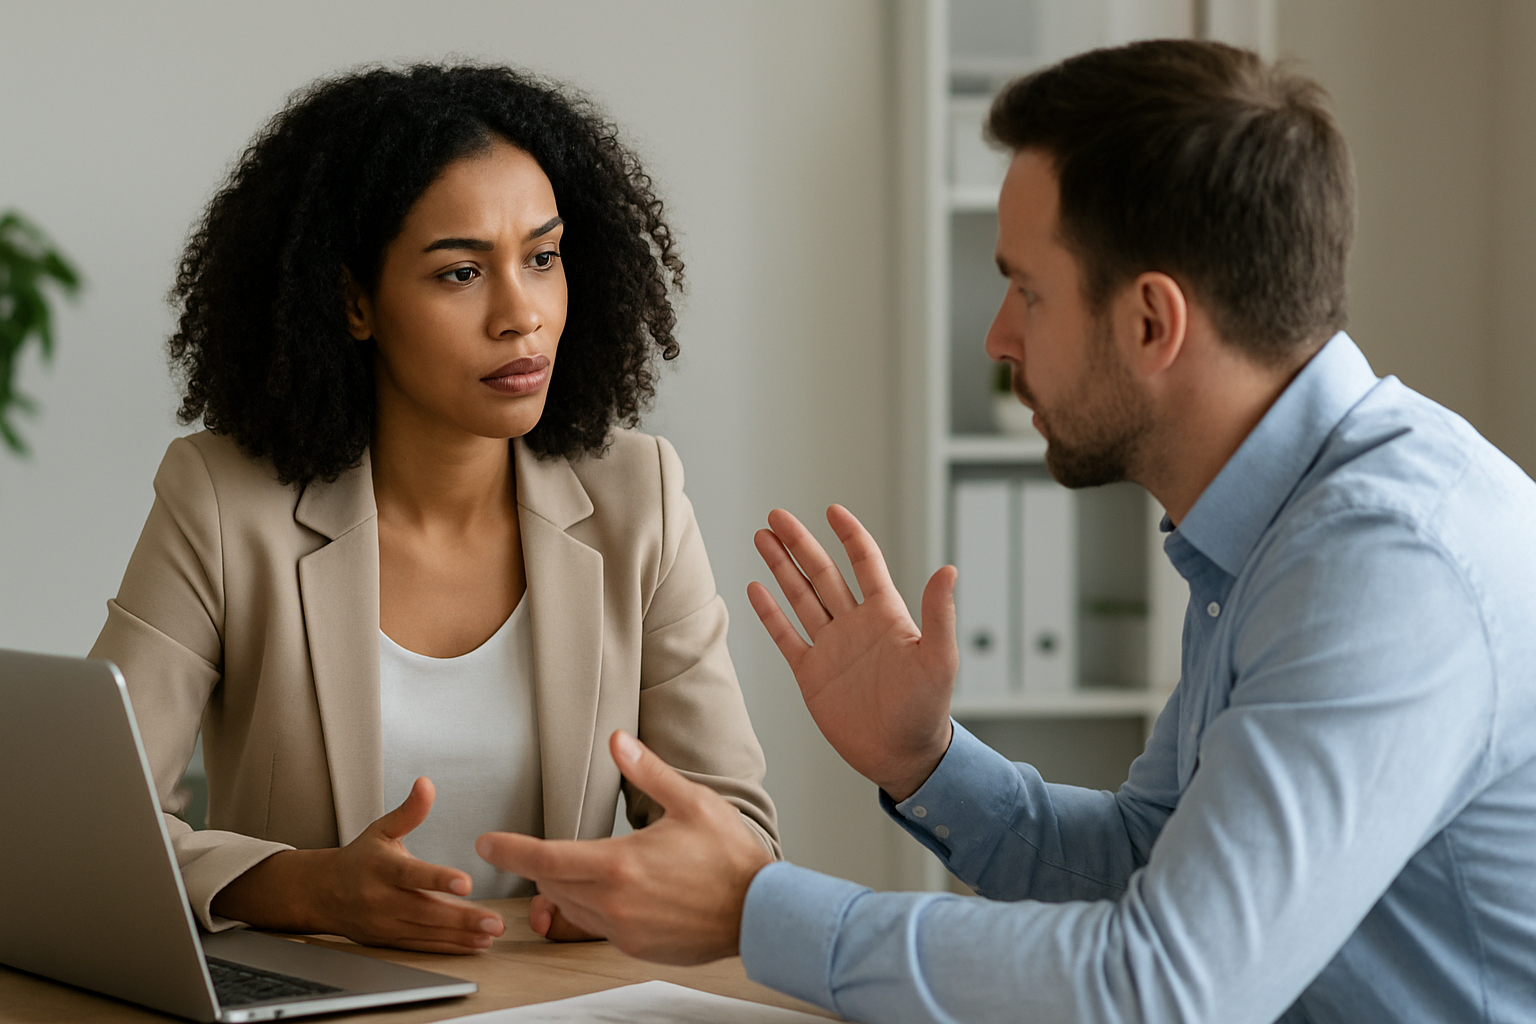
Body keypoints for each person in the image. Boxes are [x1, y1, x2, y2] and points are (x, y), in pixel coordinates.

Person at [477, 40, 1536, 1023]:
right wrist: (927, 761)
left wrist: (757, 908)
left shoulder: (1387, 564)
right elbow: (1143, 855)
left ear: (1153, 321)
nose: (998, 337)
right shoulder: (1272, 532)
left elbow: (1161, 988)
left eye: (1028, 291)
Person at [89, 63, 779, 956]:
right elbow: (99, 829)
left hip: (561, 1008)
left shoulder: (637, 498)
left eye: (542, 258)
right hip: (321, 1008)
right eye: (460, 273)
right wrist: (309, 890)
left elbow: (740, 834)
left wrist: (632, 884)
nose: (520, 315)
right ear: (354, 302)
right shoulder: (223, 501)